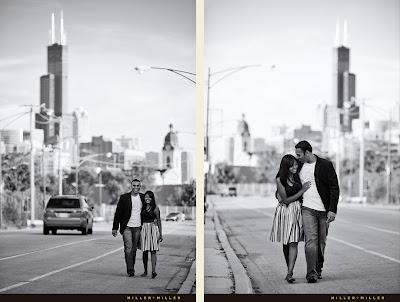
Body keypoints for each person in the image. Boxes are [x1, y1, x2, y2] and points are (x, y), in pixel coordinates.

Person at [295, 140, 339, 283]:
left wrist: (332, 210)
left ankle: (318, 268)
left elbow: (334, 187)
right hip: (307, 208)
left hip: (324, 211)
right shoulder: (298, 165)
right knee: (310, 241)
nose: (298, 157)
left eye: (299, 154)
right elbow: (286, 177)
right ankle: (311, 273)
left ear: (307, 152)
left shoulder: (325, 165)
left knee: (321, 242)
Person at [270, 154, 311, 283]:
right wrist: (302, 190)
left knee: (293, 242)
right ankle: (289, 268)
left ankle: (289, 272)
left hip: (297, 210)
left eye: (295, 164)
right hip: (285, 211)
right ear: (286, 167)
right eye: (292, 165)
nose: (295, 167)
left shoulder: (298, 175)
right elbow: (286, 200)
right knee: (286, 243)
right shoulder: (279, 179)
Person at [112, 179, 145, 277]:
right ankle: (130, 270)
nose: (136, 187)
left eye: (137, 186)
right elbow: (118, 213)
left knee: (134, 250)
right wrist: (115, 227)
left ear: (140, 186)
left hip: (138, 227)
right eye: (134, 185)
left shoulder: (143, 197)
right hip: (126, 227)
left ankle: (131, 267)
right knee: (128, 248)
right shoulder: (124, 198)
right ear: (131, 186)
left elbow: (150, 208)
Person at [140, 191, 163, 279]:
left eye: (149, 197)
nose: (147, 198)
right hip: (144, 229)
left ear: (152, 198)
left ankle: (153, 271)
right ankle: (145, 271)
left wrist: (160, 234)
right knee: (144, 251)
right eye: (146, 197)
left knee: (153, 251)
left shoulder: (156, 208)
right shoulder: (142, 207)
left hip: (153, 229)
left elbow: (159, 221)